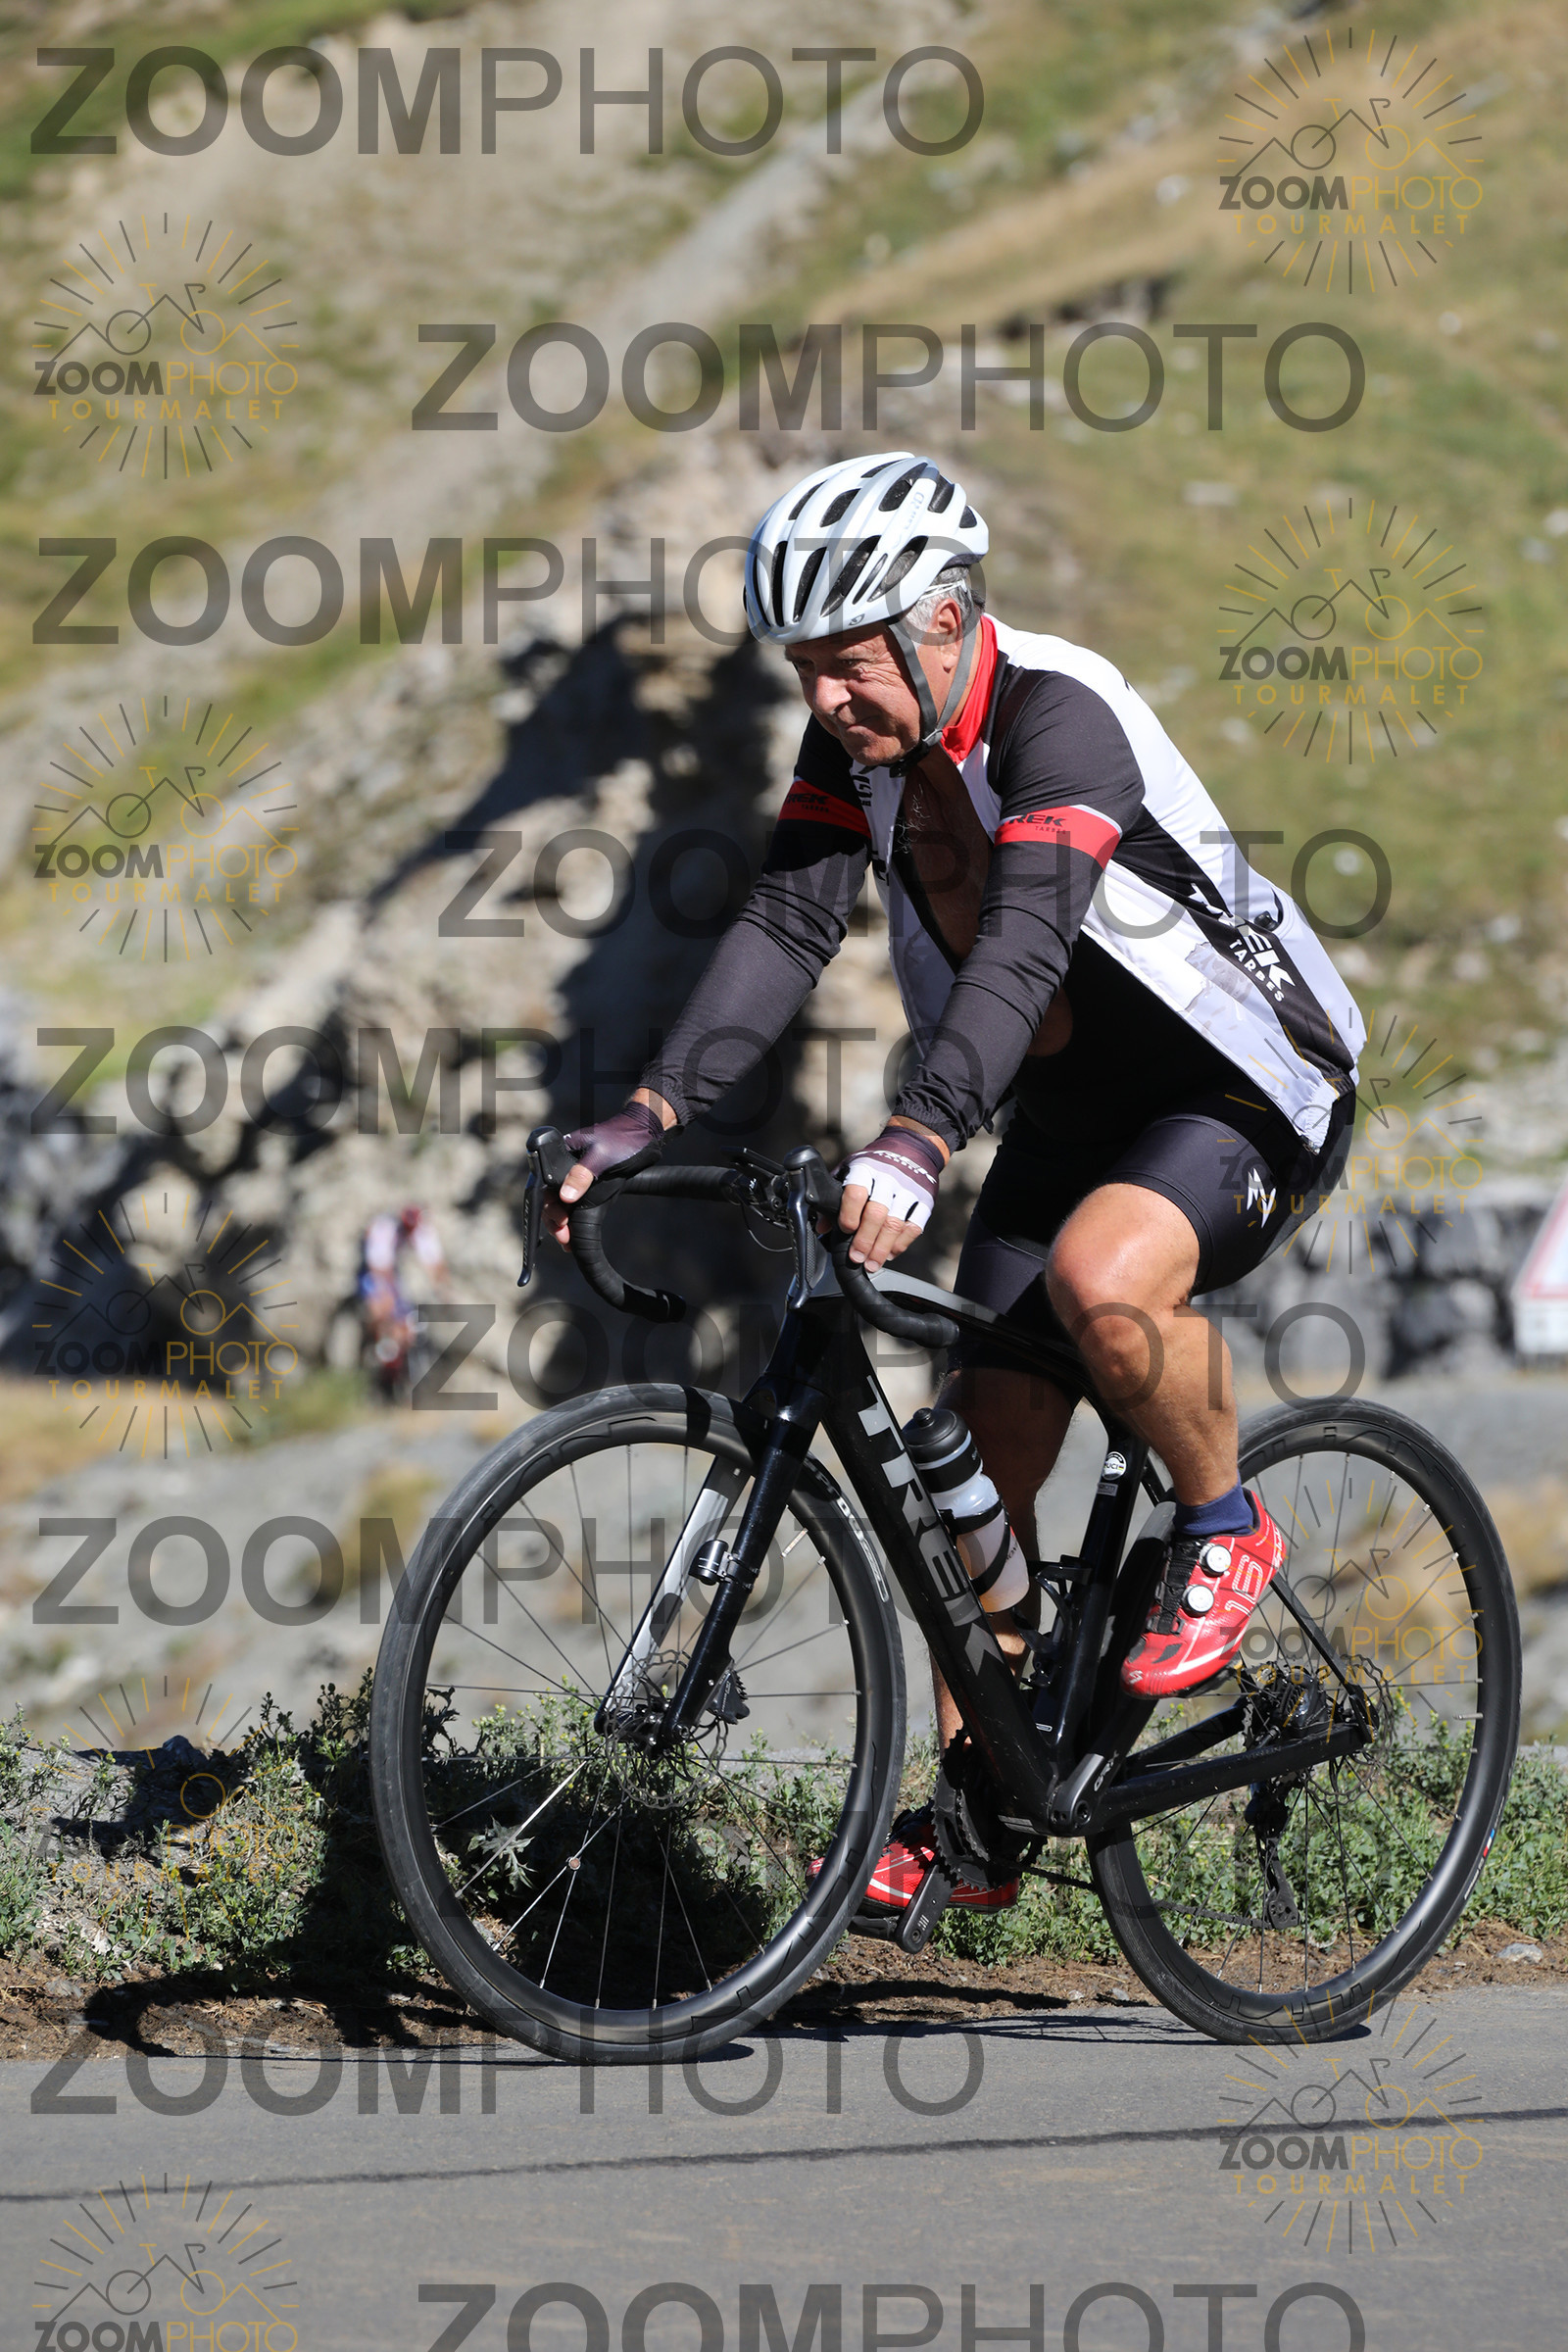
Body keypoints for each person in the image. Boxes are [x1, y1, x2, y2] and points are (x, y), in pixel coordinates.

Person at [546, 452, 1363, 1915]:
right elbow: (783, 930)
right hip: (1069, 1108)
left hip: (1241, 1085)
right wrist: (646, 1114)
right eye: (803, 670)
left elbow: (1026, 947)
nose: (825, 700)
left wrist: (920, 1137)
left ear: (943, 617)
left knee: (1104, 1280)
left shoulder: (1062, 717)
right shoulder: (857, 756)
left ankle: (1226, 1524)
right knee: (968, 1477)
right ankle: (987, 1802)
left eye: (848, 663)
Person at [360, 1204, 449, 1391]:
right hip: (374, 1272)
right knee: (381, 1309)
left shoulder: (423, 1231)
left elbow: (435, 1263)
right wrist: (387, 1297)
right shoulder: (384, 1229)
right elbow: (379, 1267)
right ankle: (377, 1349)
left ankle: (403, 1366)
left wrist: (443, 1290)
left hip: (397, 1275)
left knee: (408, 1325)